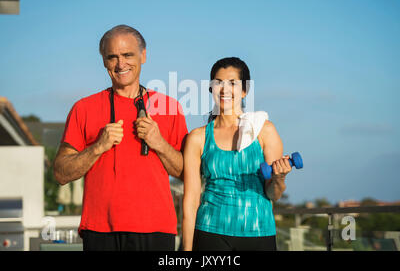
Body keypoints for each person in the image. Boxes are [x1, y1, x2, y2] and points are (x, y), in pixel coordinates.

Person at [54, 25, 188, 251]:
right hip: (99, 229)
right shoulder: (83, 108)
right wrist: (98, 146)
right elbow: (60, 173)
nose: (120, 64)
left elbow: (186, 173)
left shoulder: (169, 107)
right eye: (112, 57)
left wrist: (160, 144)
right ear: (104, 61)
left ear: (143, 56)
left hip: (156, 229)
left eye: (128, 55)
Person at [182, 57, 292, 251]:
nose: (224, 89)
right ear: (211, 89)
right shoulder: (198, 138)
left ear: (244, 90)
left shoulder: (265, 131)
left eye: (232, 83)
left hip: (259, 233)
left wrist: (279, 178)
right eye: (218, 83)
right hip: (210, 233)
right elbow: (190, 202)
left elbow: (273, 194)